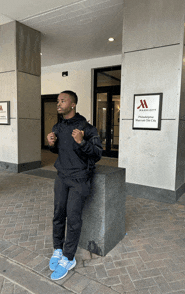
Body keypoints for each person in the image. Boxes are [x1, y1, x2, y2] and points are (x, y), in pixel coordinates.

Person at [47, 90, 102, 281]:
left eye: (63, 100)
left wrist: (82, 142)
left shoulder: (87, 128)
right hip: (62, 177)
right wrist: (52, 144)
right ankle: (57, 249)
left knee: (73, 218)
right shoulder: (58, 126)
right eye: (57, 101)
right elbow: (61, 151)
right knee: (58, 214)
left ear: (73, 104)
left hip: (80, 179)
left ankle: (69, 258)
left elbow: (97, 154)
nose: (58, 103)